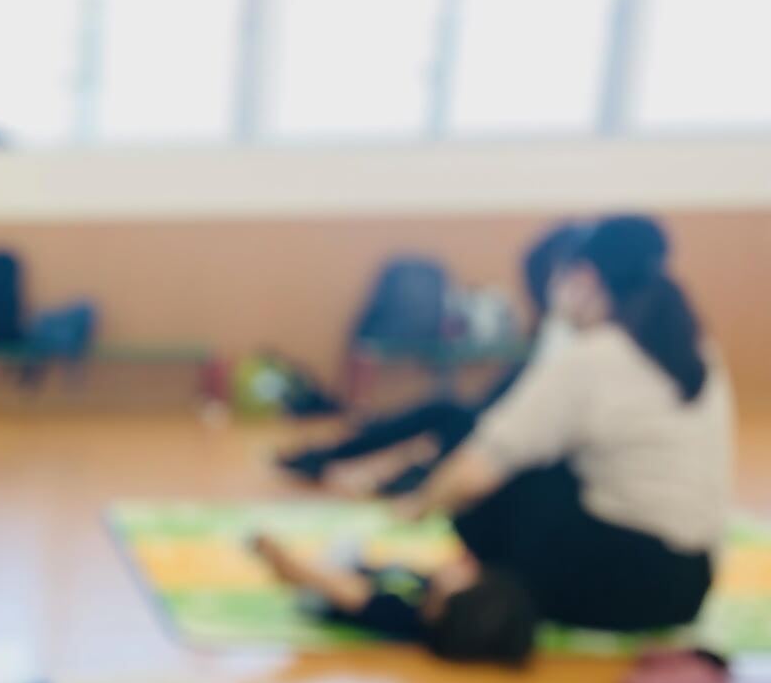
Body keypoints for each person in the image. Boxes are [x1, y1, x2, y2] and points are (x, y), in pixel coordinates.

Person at [255, 215, 733, 660]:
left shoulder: (594, 357)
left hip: (618, 587)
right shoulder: (698, 352)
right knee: (511, 461)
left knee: (476, 464)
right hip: (689, 587)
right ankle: (401, 583)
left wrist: (416, 507)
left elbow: (476, 469)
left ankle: (364, 591)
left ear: (584, 278)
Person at [277, 222, 585, 497]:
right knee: (446, 412)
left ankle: (406, 476)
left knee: (453, 418)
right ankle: (340, 458)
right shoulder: (558, 326)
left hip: (511, 437)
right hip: (494, 423)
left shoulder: (584, 340)